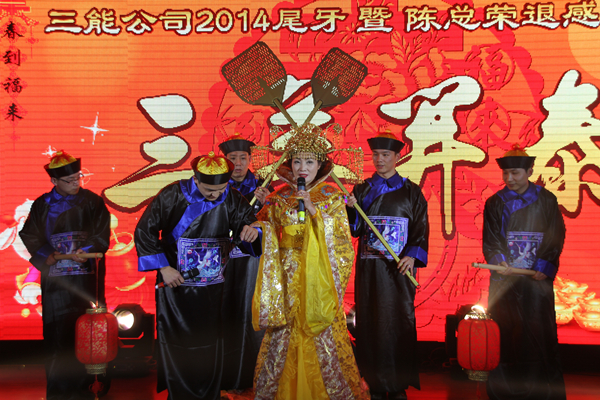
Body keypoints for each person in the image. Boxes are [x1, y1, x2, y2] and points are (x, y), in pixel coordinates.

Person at [134, 152, 262, 400]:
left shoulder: (230, 196)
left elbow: (249, 223)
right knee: (179, 340)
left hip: (215, 288)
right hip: (177, 284)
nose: (215, 195)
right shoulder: (173, 195)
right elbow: (145, 231)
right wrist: (163, 268)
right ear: (196, 179)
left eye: (220, 189)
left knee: (211, 342)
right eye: (208, 190)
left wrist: (253, 230)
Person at [252, 124, 366, 400]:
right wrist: (257, 208)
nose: (302, 168)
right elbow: (262, 232)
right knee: (285, 328)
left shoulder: (332, 197)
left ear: (320, 165)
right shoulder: (278, 197)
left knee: (319, 325)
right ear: (289, 163)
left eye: (310, 162)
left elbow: (341, 241)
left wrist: (314, 211)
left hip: (317, 276)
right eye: (297, 161)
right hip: (287, 276)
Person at [19, 150, 111, 400]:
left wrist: (87, 249)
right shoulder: (43, 205)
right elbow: (29, 234)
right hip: (57, 282)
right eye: (69, 180)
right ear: (54, 181)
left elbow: (101, 234)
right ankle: (60, 392)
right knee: (58, 335)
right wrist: (46, 254)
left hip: (86, 278)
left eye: (78, 177)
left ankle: (90, 388)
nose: (75, 183)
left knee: (90, 332)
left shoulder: (92, 202)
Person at [347, 132, 429, 400]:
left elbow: (420, 228)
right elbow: (355, 230)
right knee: (369, 321)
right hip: (370, 270)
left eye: (385, 155)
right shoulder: (362, 190)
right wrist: (351, 209)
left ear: (397, 157)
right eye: (375, 155)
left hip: (399, 270)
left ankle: (397, 384)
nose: (379, 159)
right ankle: (372, 383)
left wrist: (412, 256)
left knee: (398, 321)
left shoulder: (412, 191)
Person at [483, 144, 566, 400]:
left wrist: (544, 266)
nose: (509, 178)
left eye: (515, 173)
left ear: (529, 171)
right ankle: (504, 393)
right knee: (505, 335)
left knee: (537, 335)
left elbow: (555, 235)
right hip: (505, 282)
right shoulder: (495, 203)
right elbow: (491, 240)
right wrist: (499, 262)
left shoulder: (546, 200)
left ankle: (542, 393)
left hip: (535, 283)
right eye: (505, 173)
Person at [218, 133, 270, 392]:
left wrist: (265, 205)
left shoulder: (263, 186)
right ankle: (222, 378)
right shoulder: (217, 185)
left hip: (251, 262)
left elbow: (273, 224)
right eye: (232, 158)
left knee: (249, 313)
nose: (237, 164)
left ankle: (254, 378)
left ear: (250, 159)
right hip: (222, 261)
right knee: (223, 311)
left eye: (242, 158)